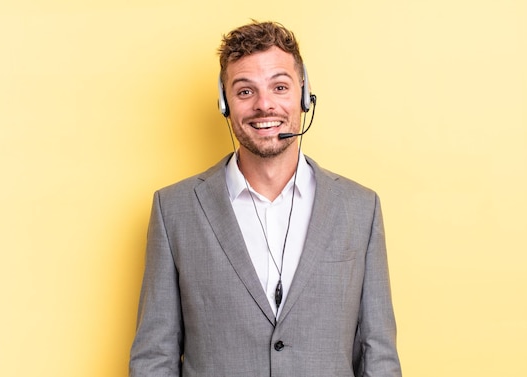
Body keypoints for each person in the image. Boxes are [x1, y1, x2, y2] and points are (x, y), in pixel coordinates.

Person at [129, 20, 402, 377]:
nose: (264, 105)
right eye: (245, 91)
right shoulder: (173, 210)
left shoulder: (360, 208)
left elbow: (378, 356)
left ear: (303, 96)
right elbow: (154, 359)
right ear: (225, 103)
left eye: (279, 86)